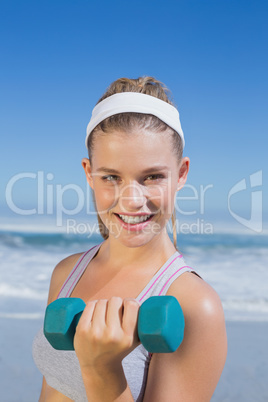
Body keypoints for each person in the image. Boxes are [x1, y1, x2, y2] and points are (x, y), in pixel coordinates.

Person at [33, 76, 227, 401]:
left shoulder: (196, 306)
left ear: (181, 174)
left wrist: (102, 370)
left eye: (152, 176)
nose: (131, 200)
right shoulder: (66, 273)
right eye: (111, 177)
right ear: (88, 174)